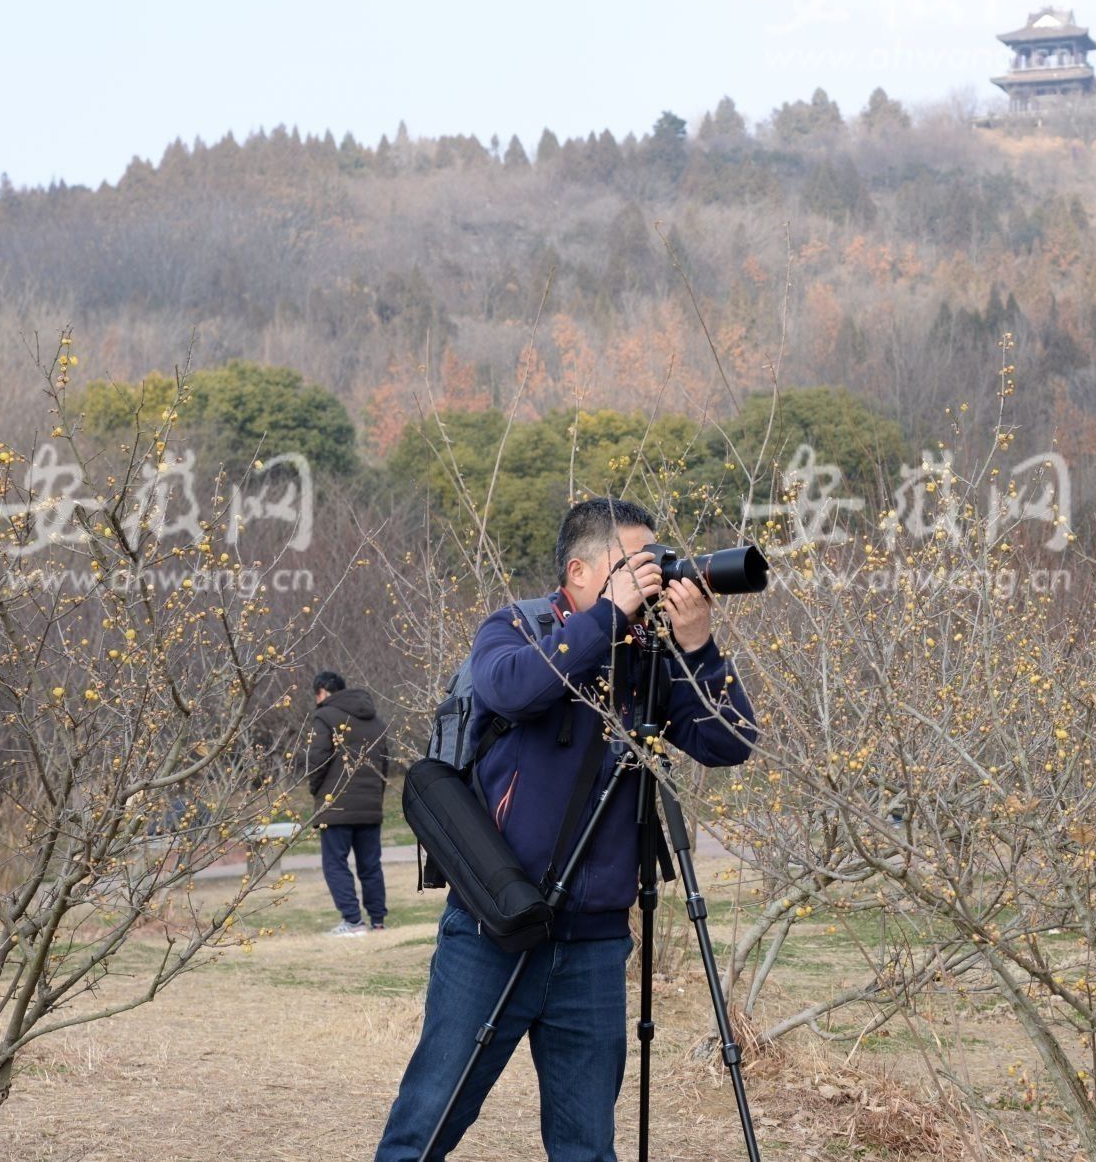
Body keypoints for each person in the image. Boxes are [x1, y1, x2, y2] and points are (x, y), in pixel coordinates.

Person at [376, 497, 759, 1162]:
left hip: (594, 946)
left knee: (586, 1146)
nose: (651, 580)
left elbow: (730, 743)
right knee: (427, 1124)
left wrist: (699, 648)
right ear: (580, 573)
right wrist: (608, 618)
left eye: (655, 565)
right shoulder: (517, 627)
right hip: (494, 928)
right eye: (633, 566)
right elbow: (510, 690)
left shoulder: (648, 659)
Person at [306, 670, 392, 936]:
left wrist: (315, 790)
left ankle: (353, 922)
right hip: (369, 806)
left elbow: (317, 758)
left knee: (335, 864)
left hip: (336, 806)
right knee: (370, 864)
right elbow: (384, 761)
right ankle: (377, 921)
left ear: (322, 691)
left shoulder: (324, 716)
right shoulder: (374, 719)